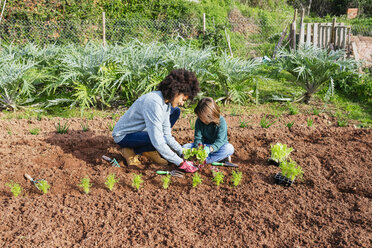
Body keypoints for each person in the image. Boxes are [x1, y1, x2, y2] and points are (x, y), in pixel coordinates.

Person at [112, 69, 199, 173]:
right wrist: (181, 163)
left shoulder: (166, 104)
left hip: (142, 132)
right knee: (158, 139)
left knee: (175, 113)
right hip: (124, 135)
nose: (182, 103)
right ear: (176, 91)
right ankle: (130, 151)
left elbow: (166, 134)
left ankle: (146, 150)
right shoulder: (153, 102)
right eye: (183, 99)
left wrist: (182, 152)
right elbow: (158, 140)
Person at [183, 97, 234, 164]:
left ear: (210, 116)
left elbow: (220, 141)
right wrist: (199, 149)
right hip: (204, 145)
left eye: (202, 117)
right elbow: (198, 138)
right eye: (200, 116)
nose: (201, 119)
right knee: (185, 147)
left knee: (229, 148)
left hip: (218, 147)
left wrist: (210, 149)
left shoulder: (221, 121)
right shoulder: (199, 121)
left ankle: (204, 161)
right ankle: (218, 158)